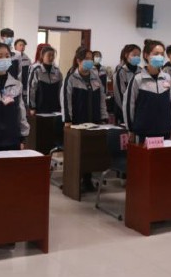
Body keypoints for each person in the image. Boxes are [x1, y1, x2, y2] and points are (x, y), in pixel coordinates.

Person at [63, 48, 107, 190]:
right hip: (77, 121)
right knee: (77, 152)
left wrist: (104, 116)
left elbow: (102, 98)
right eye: (87, 59)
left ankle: (88, 180)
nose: (90, 61)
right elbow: (66, 100)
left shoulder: (95, 77)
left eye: (91, 59)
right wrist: (68, 119)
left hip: (94, 120)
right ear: (79, 60)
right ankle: (75, 181)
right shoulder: (71, 78)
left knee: (90, 152)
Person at [124, 39, 171, 141]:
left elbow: (169, 103)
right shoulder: (137, 79)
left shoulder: (167, 77)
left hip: (164, 130)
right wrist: (130, 129)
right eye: (156, 54)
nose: (160, 57)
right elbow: (129, 105)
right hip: (143, 131)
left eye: (162, 54)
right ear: (146, 55)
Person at [27, 46, 63, 115]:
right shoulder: (36, 70)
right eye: (49, 55)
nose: (51, 58)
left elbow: (60, 90)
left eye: (53, 55)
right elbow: (31, 89)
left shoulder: (57, 71)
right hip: (40, 108)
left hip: (55, 107)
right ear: (42, 56)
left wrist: (62, 106)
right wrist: (32, 107)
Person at [113, 44, 141, 124]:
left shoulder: (141, 71)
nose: (137, 57)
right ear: (126, 55)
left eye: (138, 55)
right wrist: (129, 111)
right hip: (124, 112)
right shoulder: (120, 72)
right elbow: (119, 96)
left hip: (139, 111)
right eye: (134, 55)